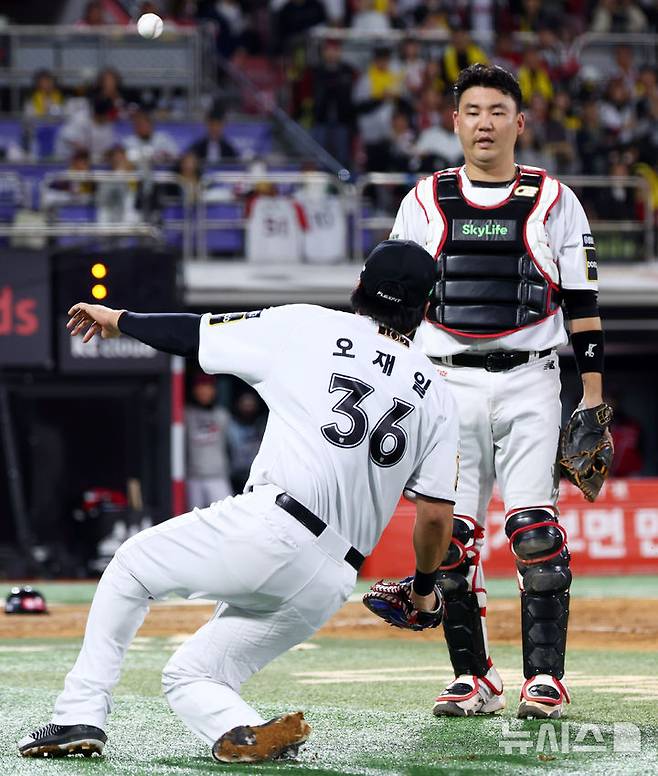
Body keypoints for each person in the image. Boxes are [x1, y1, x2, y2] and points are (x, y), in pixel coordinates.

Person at [18, 240, 459, 763]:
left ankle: (78, 715)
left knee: (131, 565)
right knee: (192, 675)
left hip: (274, 527)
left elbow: (194, 334)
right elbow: (435, 516)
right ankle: (245, 731)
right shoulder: (437, 391)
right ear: (426, 308)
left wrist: (120, 318)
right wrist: (427, 591)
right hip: (331, 580)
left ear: (359, 286)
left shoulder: (308, 325)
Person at [390, 63, 609, 720]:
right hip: (443, 385)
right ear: (454, 123)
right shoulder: (423, 200)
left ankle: (544, 680)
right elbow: (395, 306)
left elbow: (584, 301)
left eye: (497, 111)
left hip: (530, 381)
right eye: (472, 111)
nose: (484, 123)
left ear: (520, 122)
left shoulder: (554, 199)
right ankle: (473, 677)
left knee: (535, 534)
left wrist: (592, 393)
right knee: (451, 540)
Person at [186, 373, 232, 508]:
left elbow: (231, 445)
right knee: (193, 520)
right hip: (193, 477)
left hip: (218, 476)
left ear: (214, 390)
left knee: (226, 514)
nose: (204, 391)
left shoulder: (222, 415)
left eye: (208, 387)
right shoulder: (186, 414)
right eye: (200, 387)